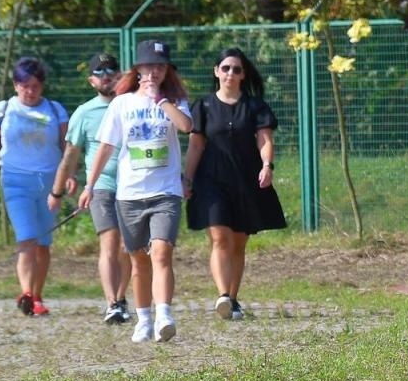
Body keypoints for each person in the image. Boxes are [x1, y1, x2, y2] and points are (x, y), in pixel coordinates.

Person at [79, 39, 193, 343]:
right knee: (139, 260)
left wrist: (161, 101)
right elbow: (106, 147)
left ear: (167, 70)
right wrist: (90, 186)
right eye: (148, 66)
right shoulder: (122, 103)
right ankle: (143, 319)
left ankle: (164, 315)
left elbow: (186, 127)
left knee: (161, 252)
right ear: (138, 69)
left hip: (166, 192)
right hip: (129, 194)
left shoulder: (175, 100)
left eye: (160, 67)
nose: (154, 72)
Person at [183, 46, 287, 320]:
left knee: (238, 242)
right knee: (220, 237)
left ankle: (233, 298)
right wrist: (187, 178)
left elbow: (265, 140)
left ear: (243, 75)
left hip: (246, 179)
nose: (230, 73)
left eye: (236, 69)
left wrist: (267, 165)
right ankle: (223, 296)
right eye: (225, 68)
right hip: (210, 181)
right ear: (216, 72)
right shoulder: (203, 106)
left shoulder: (255, 106)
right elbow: (195, 146)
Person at [0, 56, 70, 316]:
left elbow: (67, 148)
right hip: (15, 181)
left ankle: (37, 295)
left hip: (49, 182)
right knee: (26, 238)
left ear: (42, 86)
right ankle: (26, 293)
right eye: (25, 86)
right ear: (15, 85)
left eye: (35, 86)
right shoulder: (4, 109)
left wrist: (69, 176)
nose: (30, 91)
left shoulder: (55, 110)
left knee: (43, 243)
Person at [50, 52, 133, 325]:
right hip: (102, 186)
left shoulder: (132, 105)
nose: (106, 76)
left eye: (111, 71)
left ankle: (122, 297)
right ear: (91, 81)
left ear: (120, 75)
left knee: (127, 247)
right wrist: (57, 191)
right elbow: (70, 155)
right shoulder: (84, 113)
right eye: (99, 72)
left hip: (133, 185)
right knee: (110, 242)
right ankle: (112, 303)